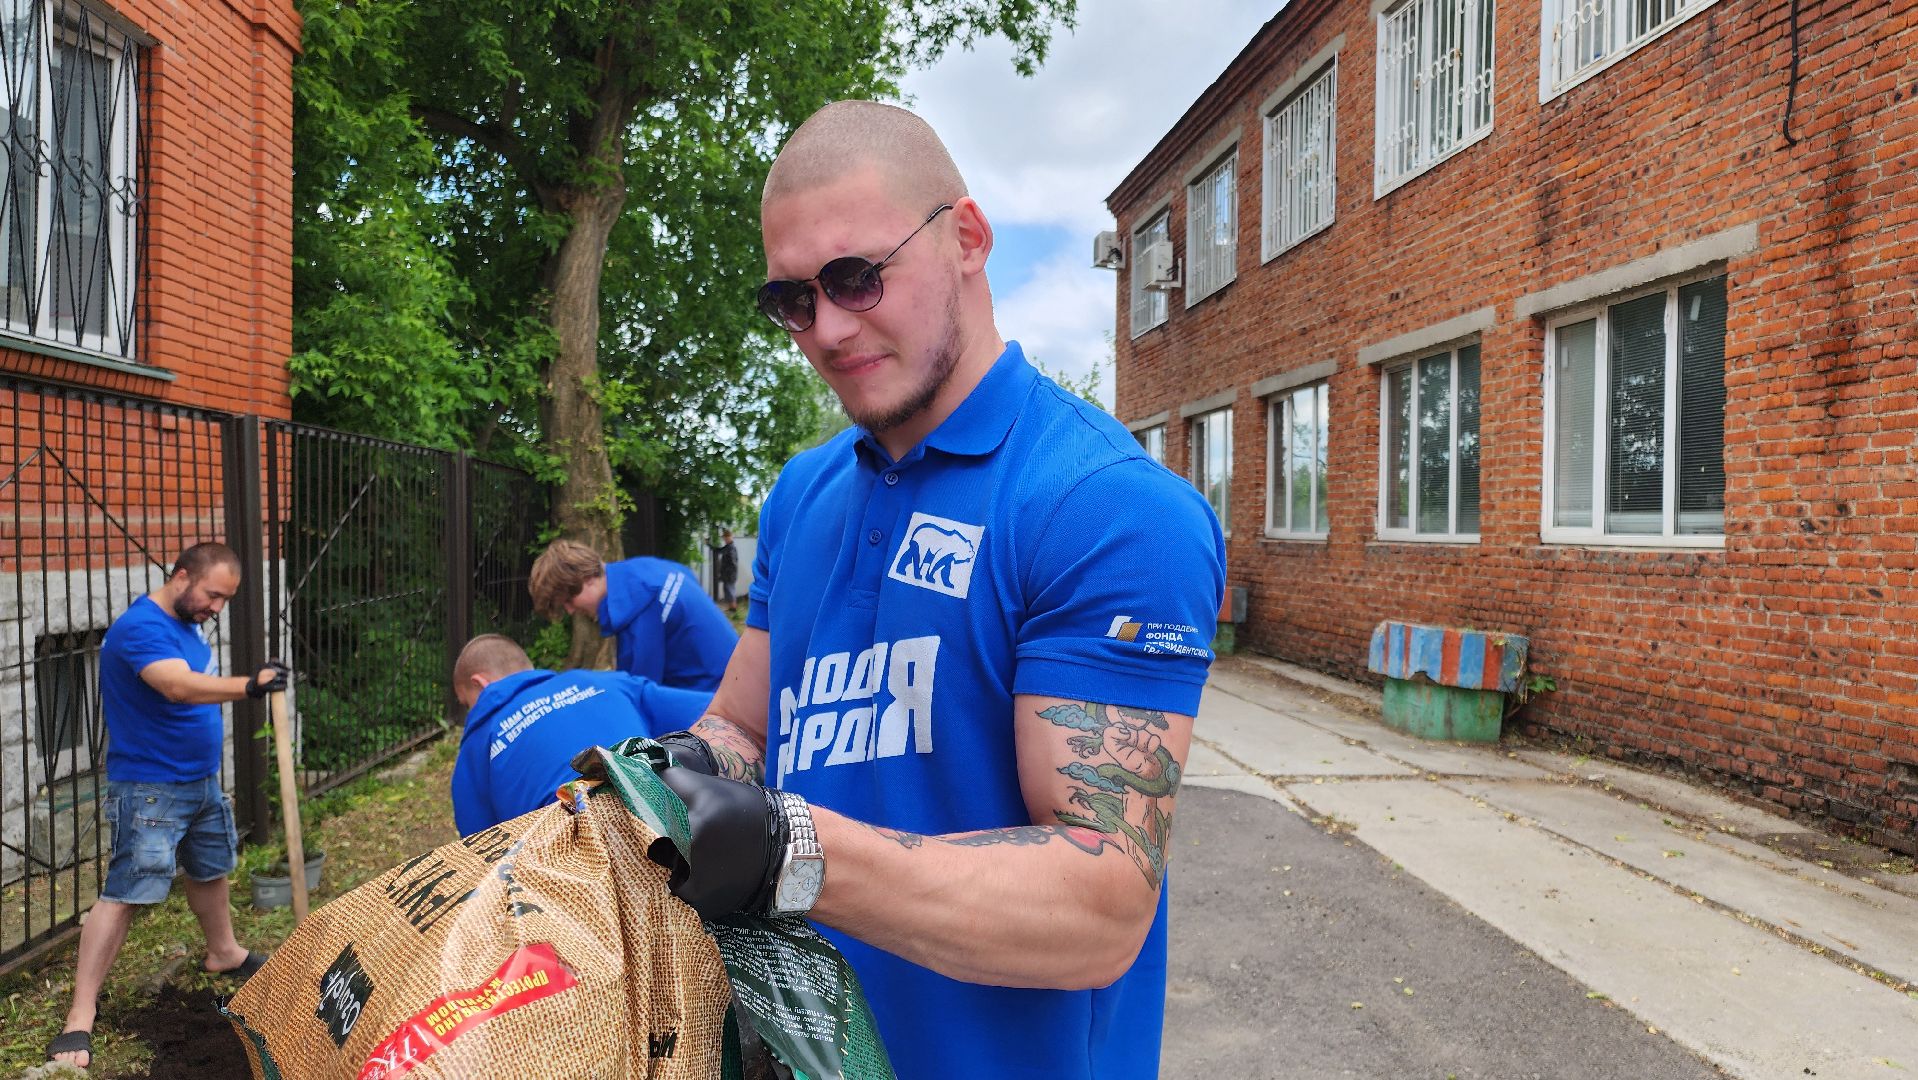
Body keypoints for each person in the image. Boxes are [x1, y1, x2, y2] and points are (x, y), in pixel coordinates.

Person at [646, 101, 1224, 1080]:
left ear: (966, 237)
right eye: (792, 300)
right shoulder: (801, 496)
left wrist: (792, 852)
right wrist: (668, 770)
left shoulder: (1101, 507)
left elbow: (1100, 908)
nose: (826, 328)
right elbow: (744, 725)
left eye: (855, 278)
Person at [49, 542, 287, 1070]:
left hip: (199, 780)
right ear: (181, 576)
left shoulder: (185, 623)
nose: (217, 608)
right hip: (150, 788)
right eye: (213, 595)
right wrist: (250, 685)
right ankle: (79, 1016)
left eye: (226, 599)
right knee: (126, 893)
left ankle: (223, 951)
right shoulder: (140, 627)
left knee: (210, 868)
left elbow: (192, 681)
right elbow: (177, 687)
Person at [448, 634, 714, 835]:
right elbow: (713, 713)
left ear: (479, 683)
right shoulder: (604, 682)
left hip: (574, 872)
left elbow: (479, 850)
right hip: (673, 819)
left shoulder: (477, 748)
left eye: (466, 702)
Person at [529, 541, 737, 692]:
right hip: (735, 673)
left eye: (568, 600)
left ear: (587, 580)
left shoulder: (637, 607)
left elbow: (640, 693)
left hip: (720, 698)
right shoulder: (645, 569)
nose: (571, 610)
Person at [709, 529, 740, 613]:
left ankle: (733, 609)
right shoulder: (728, 546)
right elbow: (719, 550)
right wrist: (709, 545)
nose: (725, 540)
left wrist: (727, 573)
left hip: (730, 574)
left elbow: (733, 563)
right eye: (724, 538)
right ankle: (731, 608)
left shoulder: (731, 548)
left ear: (730, 537)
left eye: (726, 538)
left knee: (730, 590)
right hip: (728, 574)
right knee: (727, 590)